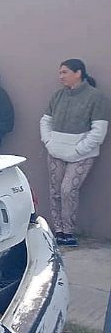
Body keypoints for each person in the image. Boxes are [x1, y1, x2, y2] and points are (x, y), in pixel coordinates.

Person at [40, 59, 110, 246]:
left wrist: (79, 149)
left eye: (64, 72)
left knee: (68, 189)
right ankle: (59, 231)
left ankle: (69, 231)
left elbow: (99, 131)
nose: (60, 76)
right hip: (55, 152)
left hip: (82, 155)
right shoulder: (58, 96)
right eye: (60, 72)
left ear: (78, 73)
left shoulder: (96, 98)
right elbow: (45, 121)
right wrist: (48, 142)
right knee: (55, 192)